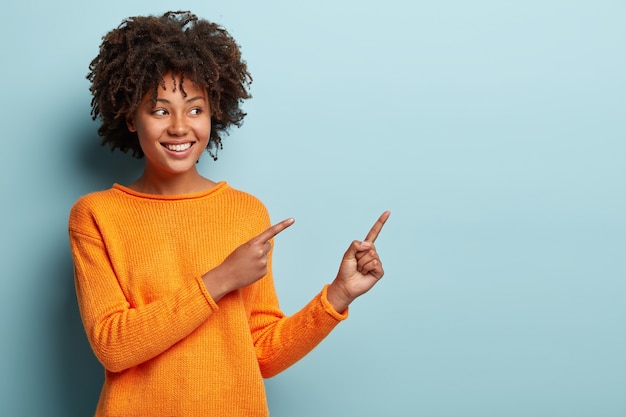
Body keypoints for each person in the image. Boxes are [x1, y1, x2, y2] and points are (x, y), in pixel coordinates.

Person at [68, 10, 390, 417]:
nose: (180, 127)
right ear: (130, 117)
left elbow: (263, 354)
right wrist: (221, 279)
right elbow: (113, 346)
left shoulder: (245, 212)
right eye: (160, 110)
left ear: (214, 112)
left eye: (195, 109)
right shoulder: (96, 215)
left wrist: (338, 295)